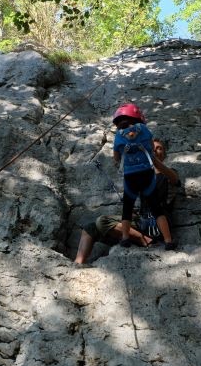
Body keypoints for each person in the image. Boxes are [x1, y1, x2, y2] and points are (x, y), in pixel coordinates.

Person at [74, 138, 180, 264]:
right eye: (153, 148)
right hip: (142, 221)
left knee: (102, 221)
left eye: (159, 148)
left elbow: (174, 179)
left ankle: (144, 240)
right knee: (90, 228)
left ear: (164, 154)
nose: (156, 151)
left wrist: (153, 160)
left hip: (158, 225)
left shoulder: (170, 173)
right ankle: (77, 264)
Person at [111, 103, 160, 247]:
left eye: (159, 149)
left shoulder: (167, 173)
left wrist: (155, 162)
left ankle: (141, 239)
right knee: (108, 219)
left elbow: (116, 157)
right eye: (154, 148)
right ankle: (140, 238)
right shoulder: (145, 141)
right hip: (140, 217)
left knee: (127, 210)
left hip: (150, 218)